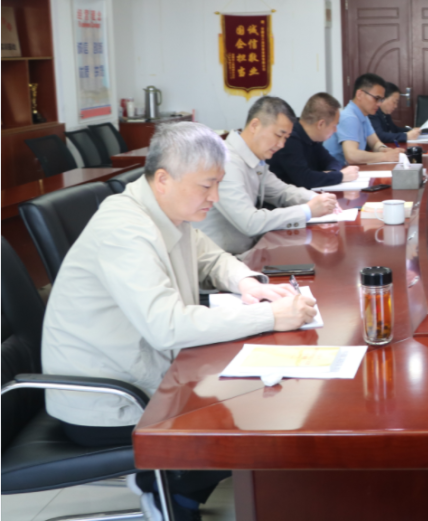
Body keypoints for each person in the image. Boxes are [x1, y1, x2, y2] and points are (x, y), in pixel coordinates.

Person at [41, 121, 317, 521]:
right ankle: (167, 490)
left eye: (218, 183)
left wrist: (247, 282)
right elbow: (167, 326)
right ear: (163, 179)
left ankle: (172, 490)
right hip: (109, 399)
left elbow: (211, 257)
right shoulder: (125, 229)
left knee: (249, 405)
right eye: (207, 186)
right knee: (247, 426)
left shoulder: (167, 209)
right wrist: (269, 316)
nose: (215, 197)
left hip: (149, 373)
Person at [195, 96, 338, 255]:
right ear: (255, 125)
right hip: (222, 260)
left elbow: (282, 192)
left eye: (285, 138)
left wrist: (317, 199)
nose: (281, 145)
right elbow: (250, 222)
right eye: (278, 135)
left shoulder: (254, 159)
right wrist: (307, 210)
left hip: (249, 252)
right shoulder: (226, 161)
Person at [269, 92, 361, 188]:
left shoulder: (313, 139)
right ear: (320, 124)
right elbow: (304, 179)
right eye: (334, 125)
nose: (335, 130)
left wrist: (331, 174)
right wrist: (340, 176)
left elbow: (332, 162)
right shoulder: (289, 139)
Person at [323, 73, 401, 166]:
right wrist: (385, 156)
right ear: (359, 94)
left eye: (381, 99)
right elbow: (352, 156)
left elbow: (375, 143)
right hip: (335, 170)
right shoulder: (349, 117)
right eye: (376, 98)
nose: (379, 104)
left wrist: (385, 150)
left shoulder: (363, 115)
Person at [370, 81, 422, 145]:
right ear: (383, 98)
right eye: (394, 102)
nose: (396, 106)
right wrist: (406, 136)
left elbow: (394, 129)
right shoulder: (373, 113)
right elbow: (380, 136)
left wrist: (412, 131)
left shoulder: (385, 113)